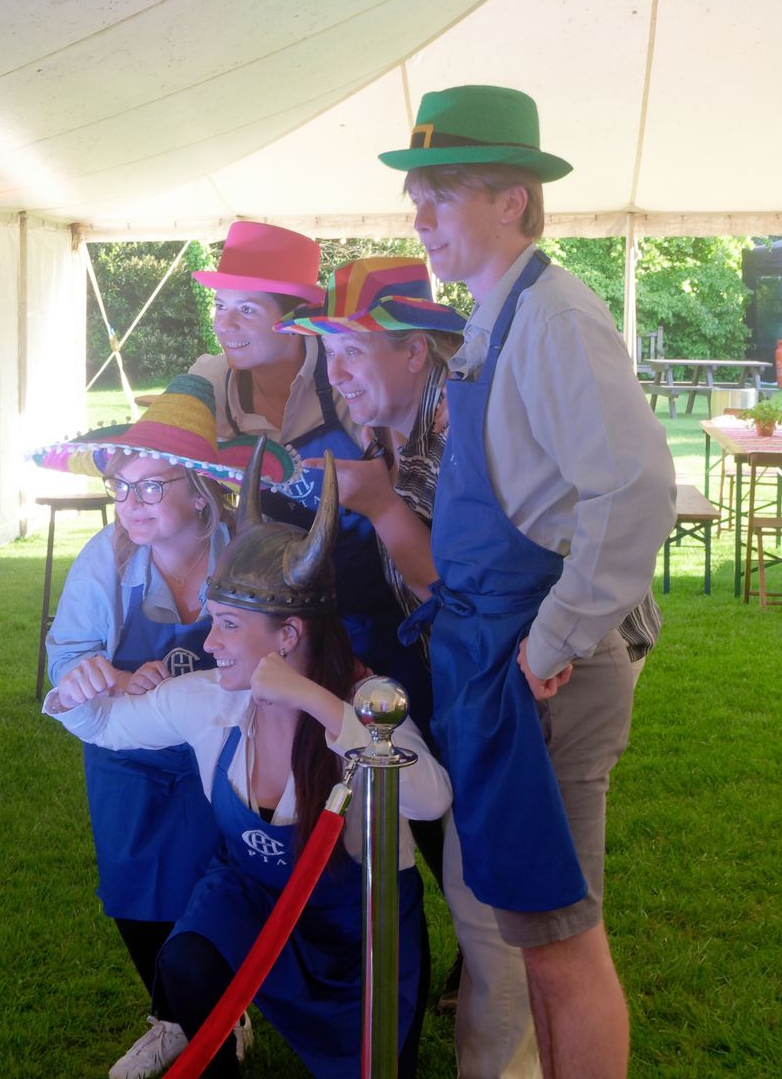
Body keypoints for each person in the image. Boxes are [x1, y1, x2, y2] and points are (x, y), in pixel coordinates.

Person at [379, 84, 677, 1079]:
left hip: (544, 674)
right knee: (533, 936)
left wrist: (554, 641)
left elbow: (631, 489)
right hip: (497, 667)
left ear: (513, 198)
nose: (420, 216)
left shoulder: (553, 317)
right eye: (418, 196)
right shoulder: (495, 316)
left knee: (562, 940)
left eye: (443, 194)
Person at [45, 449, 452, 1078]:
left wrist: (318, 703)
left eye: (228, 625)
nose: (207, 644)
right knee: (185, 966)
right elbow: (102, 726)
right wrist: (81, 688)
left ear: (287, 635)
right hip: (254, 905)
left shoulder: (366, 701)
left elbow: (430, 799)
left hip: (357, 933)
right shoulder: (210, 700)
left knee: (378, 1062)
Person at [280, 257, 543, 1078]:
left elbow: (465, 593)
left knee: (499, 893)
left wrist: (380, 506)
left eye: (354, 352)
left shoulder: (464, 424)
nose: (338, 375)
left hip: (539, 668)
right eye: (330, 356)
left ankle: (506, 1052)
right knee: (476, 874)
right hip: (473, 672)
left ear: (415, 354)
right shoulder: (384, 430)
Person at [34, 377, 303, 1079]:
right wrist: (106, 678)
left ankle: (218, 1012)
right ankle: (177, 1020)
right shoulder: (109, 557)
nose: (131, 505)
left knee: (214, 884)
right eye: (123, 488)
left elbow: (291, 646)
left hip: (221, 744)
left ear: (200, 492)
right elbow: (66, 655)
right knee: (132, 889)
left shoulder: (248, 549)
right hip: (127, 749)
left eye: (151, 488)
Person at [188, 223, 431, 744]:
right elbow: (163, 454)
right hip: (278, 617)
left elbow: (405, 482)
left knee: (392, 742)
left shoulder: (348, 379)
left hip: (374, 601)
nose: (225, 325)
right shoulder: (211, 380)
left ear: (291, 322)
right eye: (220, 306)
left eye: (246, 309)